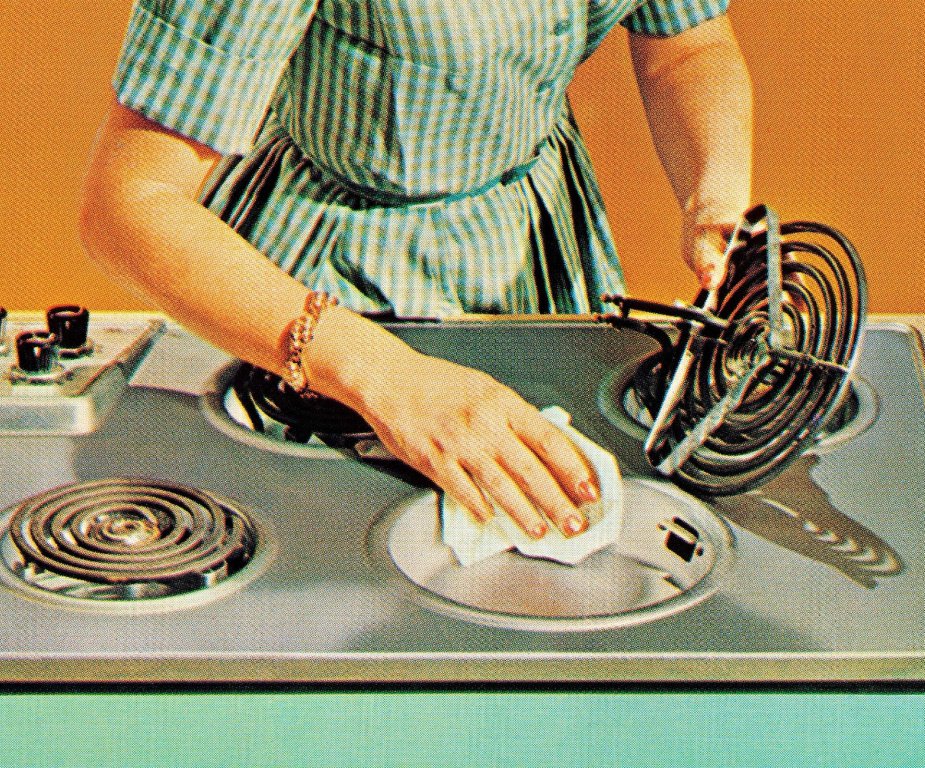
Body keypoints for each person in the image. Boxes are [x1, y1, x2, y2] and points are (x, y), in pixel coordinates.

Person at [80, 0, 752, 542]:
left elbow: (688, 48)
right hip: (332, 305)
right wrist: (386, 377)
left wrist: (713, 193)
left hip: (544, 257)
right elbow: (128, 205)